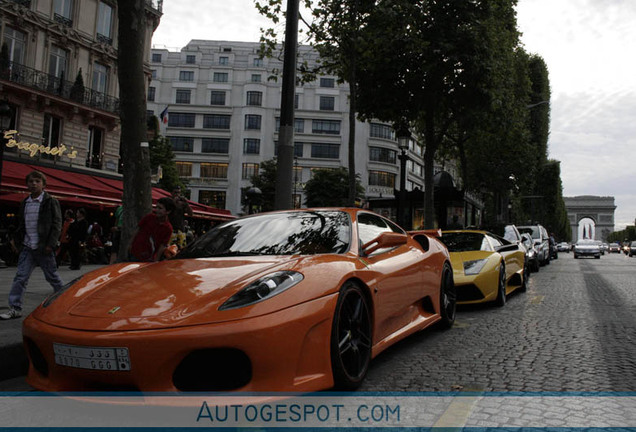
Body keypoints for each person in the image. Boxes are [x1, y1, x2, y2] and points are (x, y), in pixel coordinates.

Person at [0, 171, 65, 320]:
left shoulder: (50, 201)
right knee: (20, 277)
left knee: (52, 277)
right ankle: (15, 308)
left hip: (44, 247)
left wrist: (51, 244)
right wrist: (17, 242)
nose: (34, 184)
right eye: (31, 182)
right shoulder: (25, 202)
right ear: (27, 184)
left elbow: (57, 224)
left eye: (37, 181)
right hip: (28, 246)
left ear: (43, 184)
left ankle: (66, 301)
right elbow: (21, 225)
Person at [128, 197, 175, 262]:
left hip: (149, 256)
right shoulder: (149, 217)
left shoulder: (168, 228)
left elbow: (162, 245)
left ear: (168, 211)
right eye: (156, 207)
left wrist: (156, 259)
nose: (157, 210)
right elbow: (137, 230)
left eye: (160, 208)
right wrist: (130, 244)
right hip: (136, 251)